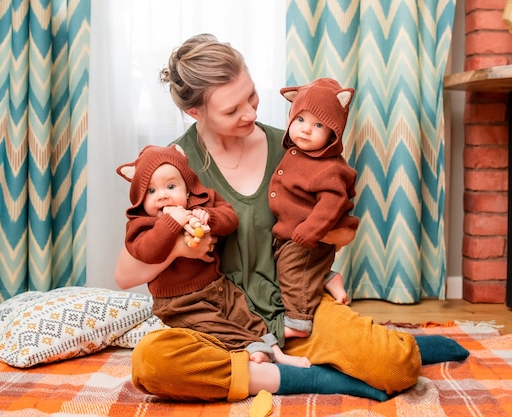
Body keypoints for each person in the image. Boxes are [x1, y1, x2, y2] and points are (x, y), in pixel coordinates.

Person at [114, 33, 467, 403]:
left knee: (395, 366)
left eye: (251, 96)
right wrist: (179, 252)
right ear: (195, 112)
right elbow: (125, 275)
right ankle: (302, 377)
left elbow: (340, 228)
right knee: (153, 364)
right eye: (232, 110)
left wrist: (320, 263)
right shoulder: (172, 168)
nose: (250, 113)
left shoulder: (297, 149)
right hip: (219, 327)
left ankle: (365, 350)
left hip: (297, 310)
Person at [116, 143, 310, 368]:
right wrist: (172, 222)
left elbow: (230, 218)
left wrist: (208, 216)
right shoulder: (141, 225)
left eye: (171, 186)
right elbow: (148, 251)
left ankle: (277, 353)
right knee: (215, 326)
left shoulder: (200, 203)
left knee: (247, 316)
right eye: (151, 191)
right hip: (179, 302)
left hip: (217, 285)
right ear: (140, 198)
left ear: (187, 190)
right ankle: (252, 351)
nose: (162, 197)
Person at [269, 78, 359, 339]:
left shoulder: (329, 167)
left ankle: (298, 322)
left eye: (318, 124)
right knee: (283, 268)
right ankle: (327, 278)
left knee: (292, 273)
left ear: (333, 133)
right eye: (300, 120)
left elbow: (332, 204)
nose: (306, 130)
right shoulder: (296, 152)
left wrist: (310, 231)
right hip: (290, 233)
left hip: (309, 236)